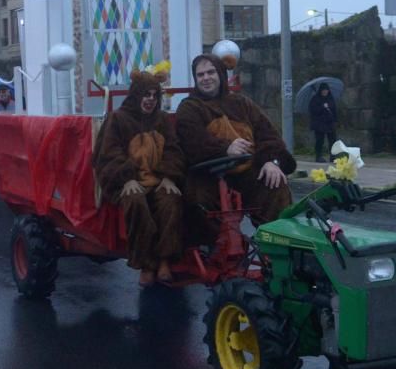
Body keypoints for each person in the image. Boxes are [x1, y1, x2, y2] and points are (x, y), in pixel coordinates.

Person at [175, 54, 296, 241]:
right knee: (197, 202)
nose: (206, 78)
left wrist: (271, 161)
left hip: (247, 172)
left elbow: (268, 135)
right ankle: (210, 247)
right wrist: (225, 148)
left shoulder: (242, 103)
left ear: (221, 74)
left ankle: (277, 246)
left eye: (210, 72)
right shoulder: (189, 108)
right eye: (200, 75)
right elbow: (193, 143)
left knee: (275, 185)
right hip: (207, 176)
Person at [95, 70, 185, 286]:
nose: (150, 100)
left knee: (171, 202)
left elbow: (173, 150)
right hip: (128, 181)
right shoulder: (118, 118)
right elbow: (109, 153)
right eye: (146, 95)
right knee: (136, 203)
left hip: (158, 179)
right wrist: (127, 178)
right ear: (136, 95)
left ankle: (164, 259)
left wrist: (168, 176)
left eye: (155, 95)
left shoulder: (162, 120)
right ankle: (146, 263)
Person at [309, 82, 339, 163]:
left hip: (329, 122)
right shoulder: (315, 99)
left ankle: (333, 156)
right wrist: (322, 107)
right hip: (319, 123)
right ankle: (318, 156)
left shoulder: (330, 98)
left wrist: (335, 120)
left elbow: (334, 109)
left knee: (332, 140)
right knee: (320, 140)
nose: (325, 92)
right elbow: (313, 111)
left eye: (326, 90)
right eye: (323, 90)